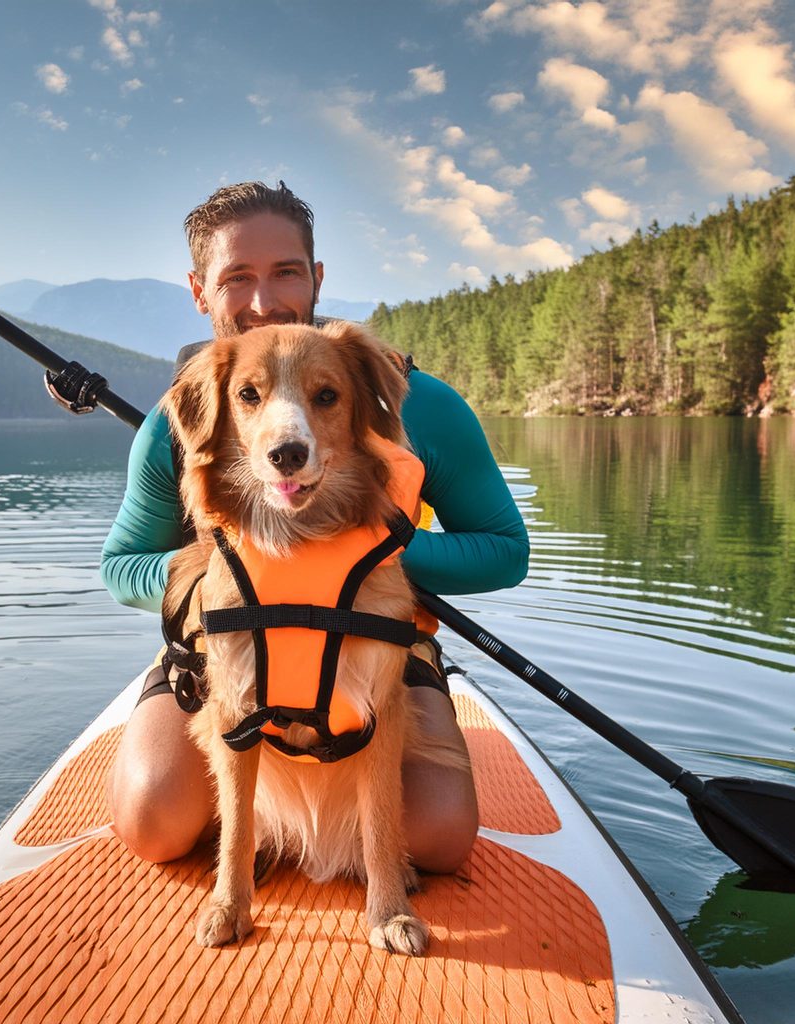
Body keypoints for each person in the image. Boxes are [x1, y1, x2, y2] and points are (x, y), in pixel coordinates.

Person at [101, 181, 529, 874]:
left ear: (317, 276)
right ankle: (253, 815)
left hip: (372, 650)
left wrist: (372, 556)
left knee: (440, 837)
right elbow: (121, 567)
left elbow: (505, 553)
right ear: (199, 291)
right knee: (155, 822)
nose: (264, 300)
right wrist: (218, 574)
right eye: (237, 278)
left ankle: (301, 824)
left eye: (285, 272)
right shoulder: (173, 421)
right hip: (227, 653)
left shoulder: (422, 404)